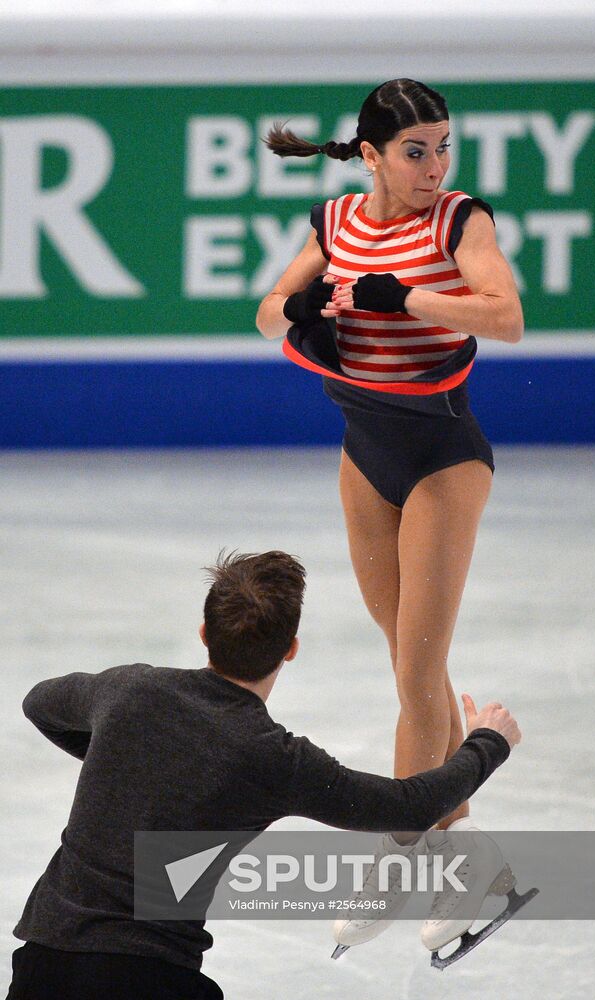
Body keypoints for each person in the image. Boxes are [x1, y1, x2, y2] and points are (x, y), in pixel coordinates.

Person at [256, 78, 524, 953]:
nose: (435, 165)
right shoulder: (334, 222)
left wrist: (404, 299)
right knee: (412, 657)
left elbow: (506, 316)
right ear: (370, 156)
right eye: (416, 151)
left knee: (417, 670)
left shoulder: (458, 221)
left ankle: (402, 862)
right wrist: (300, 315)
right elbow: (264, 312)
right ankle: (463, 850)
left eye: (444, 145)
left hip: (445, 458)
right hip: (364, 459)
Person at [7, 550, 520, 998]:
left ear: (205, 633)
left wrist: (126, 762)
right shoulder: (273, 759)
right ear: (291, 648)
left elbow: (39, 703)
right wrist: (487, 743)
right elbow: (409, 805)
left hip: (40, 965)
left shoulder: (126, 691)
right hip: (149, 978)